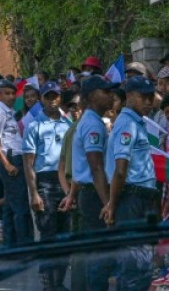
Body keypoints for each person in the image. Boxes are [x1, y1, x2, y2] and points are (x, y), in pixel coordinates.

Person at [100, 76, 161, 291]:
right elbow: (120, 170)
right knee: (136, 264)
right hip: (132, 198)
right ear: (129, 97)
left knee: (142, 263)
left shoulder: (137, 122)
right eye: (143, 97)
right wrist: (112, 204)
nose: (148, 102)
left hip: (142, 198)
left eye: (151, 97)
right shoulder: (127, 124)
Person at [59, 75, 118, 291]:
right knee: (100, 256)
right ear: (92, 96)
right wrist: (108, 204)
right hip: (95, 195)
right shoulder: (93, 124)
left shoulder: (89, 121)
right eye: (106, 92)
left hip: (88, 193)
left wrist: (73, 194)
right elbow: (95, 167)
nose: (111, 96)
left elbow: (79, 167)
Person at [22, 81, 71, 290]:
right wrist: (34, 193)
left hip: (65, 183)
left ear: (60, 98)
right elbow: (28, 163)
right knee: (48, 234)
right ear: (42, 99)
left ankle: (59, 283)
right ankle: (48, 284)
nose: (52, 100)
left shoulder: (68, 123)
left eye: (55, 96)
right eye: (48, 96)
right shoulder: (34, 126)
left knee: (65, 236)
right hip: (44, 183)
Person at [0, 79, 33, 246]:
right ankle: (23, 245)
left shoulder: (10, 113)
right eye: (7, 93)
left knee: (9, 204)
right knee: (20, 205)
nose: (12, 97)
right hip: (11, 159)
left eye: (13, 93)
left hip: (16, 158)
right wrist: (7, 163)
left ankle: (10, 244)